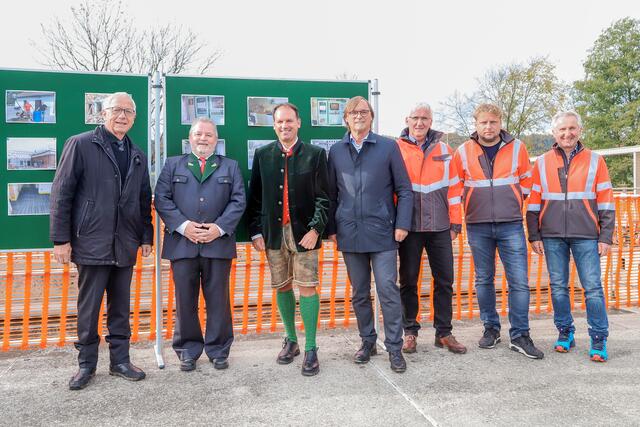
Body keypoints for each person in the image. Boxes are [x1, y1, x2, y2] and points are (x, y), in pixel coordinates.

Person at [49, 92, 153, 390]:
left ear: (134, 118)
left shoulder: (136, 154)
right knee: (89, 307)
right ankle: (86, 365)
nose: (122, 116)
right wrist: (60, 239)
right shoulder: (81, 144)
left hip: (125, 244)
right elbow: (62, 193)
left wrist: (145, 236)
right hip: (90, 242)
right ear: (103, 114)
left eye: (129, 112)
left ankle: (120, 361)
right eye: (117, 110)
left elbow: (143, 199)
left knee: (120, 306)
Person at [326, 96, 413, 373]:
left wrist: (402, 225)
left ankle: (395, 348)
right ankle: (367, 341)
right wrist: (331, 229)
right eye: (353, 112)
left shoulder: (388, 147)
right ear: (346, 119)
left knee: (388, 289)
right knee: (359, 293)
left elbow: (405, 190)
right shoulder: (336, 151)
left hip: (383, 233)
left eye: (363, 111)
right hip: (349, 233)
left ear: (371, 116)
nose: (358, 116)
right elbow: (330, 194)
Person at [452, 103, 544, 359]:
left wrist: (513, 200)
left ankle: (520, 335)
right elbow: (455, 187)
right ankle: (490, 329)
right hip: (478, 224)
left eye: (493, 122)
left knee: (519, 282)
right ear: (476, 124)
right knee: (484, 280)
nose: (488, 127)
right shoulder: (463, 151)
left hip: (511, 223)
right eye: (483, 122)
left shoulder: (518, 148)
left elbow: (528, 181)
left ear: (500, 122)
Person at [155, 117, 245, 372]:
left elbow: (238, 201)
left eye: (208, 135)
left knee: (218, 300)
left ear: (216, 140)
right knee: (185, 300)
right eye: (198, 134)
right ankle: (187, 350)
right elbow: (162, 199)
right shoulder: (173, 165)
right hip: (182, 244)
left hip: (218, 244)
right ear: (190, 138)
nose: (203, 138)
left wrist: (217, 229)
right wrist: (185, 227)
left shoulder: (230, 166)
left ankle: (218, 350)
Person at [246, 103, 329, 376]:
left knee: (307, 287)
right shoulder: (263, 155)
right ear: (274, 125)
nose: (285, 126)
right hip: (273, 233)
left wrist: (315, 229)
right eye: (280, 122)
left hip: (305, 234)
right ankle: (291, 340)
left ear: (299, 123)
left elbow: (324, 197)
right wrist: (256, 231)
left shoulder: (316, 155)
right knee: (282, 287)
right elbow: (254, 197)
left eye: (289, 121)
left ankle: (311, 347)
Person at [527, 111, 614, 362]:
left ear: (580, 131)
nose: (567, 134)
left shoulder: (596, 161)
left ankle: (599, 338)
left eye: (572, 128)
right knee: (558, 288)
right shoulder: (542, 162)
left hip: (587, 235)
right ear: (554, 133)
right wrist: (535, 235)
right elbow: (533, 203)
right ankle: (565, 333)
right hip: (552, 235)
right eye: (562, 130)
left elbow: (606, 201)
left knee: (593, 289)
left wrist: (605, 236)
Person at [395, 103, 467, 354]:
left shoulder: (446, 150)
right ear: (407, 119)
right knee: (408, 281)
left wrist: (455, 222)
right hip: (409, 227)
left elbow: (455, 190)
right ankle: (410, 332)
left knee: (445, 281)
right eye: (415, 117)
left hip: (440, 227)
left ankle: (444, 333)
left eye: (424, 118)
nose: (419, 122)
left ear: (431, 120)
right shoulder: (396, 148)